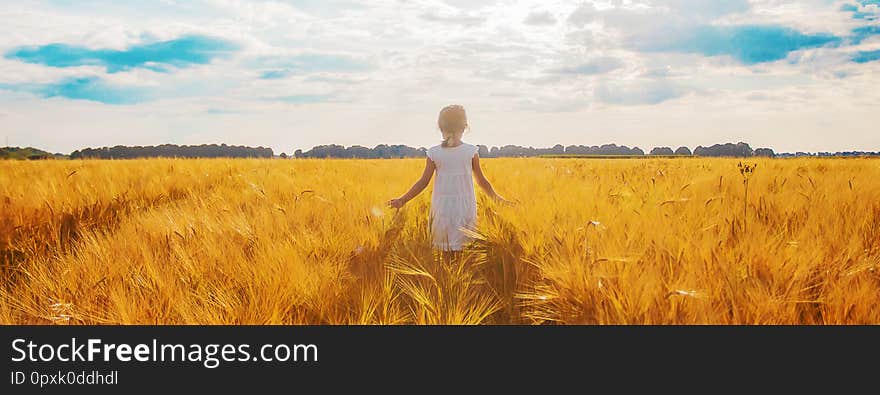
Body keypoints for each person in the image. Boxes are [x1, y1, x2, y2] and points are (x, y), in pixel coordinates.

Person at [387, 104, 510, 252]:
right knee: (464, 251)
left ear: (440, 128)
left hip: (441, 209)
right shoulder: (470, 152)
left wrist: (403, 199)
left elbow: (423, 182)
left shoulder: (434, 153)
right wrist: (499, 199)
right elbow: (482, 181)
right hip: (465, 208)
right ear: (465, 127)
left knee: (444, 253)